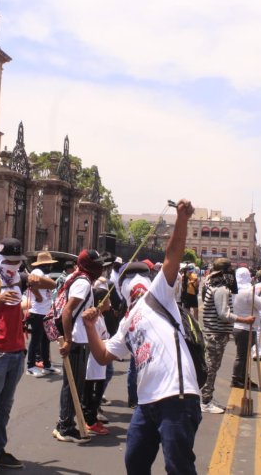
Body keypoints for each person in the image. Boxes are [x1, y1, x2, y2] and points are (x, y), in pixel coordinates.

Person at [82, 199, 201, 475]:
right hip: (146, 404)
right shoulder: (125, 324)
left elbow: (173, 255)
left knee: (178, 467)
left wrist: (181, 220)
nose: (135, 289)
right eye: (130, 285)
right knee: (134, 462)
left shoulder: (157, 296)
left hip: (177, 396)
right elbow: (102, 356)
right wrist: (90, 327)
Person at [0, 238, 55, 474]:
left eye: (17, 261)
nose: (13, 264)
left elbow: (49, 284)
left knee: (6, 406)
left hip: (17, 352)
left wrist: (39, 279)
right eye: (9, 260)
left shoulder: (19, 278)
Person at [53, 249, 104, 444]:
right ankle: (65, 426)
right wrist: (68, 340)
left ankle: (65, 423)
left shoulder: (82, 280)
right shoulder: (83, 283)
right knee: (72, 384)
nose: (99, 268)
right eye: (96, 264)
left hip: (79, 338)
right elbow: (67, 311)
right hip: (76, 339)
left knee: (74, 383)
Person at [200, 258, 248, 414]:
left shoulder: (211, 284)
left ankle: (206, 397)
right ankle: (205, 401)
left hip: (213, 331)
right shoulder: (220, 289)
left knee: (211, 366)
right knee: (212, 367)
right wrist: (242, 319)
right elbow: (223, 314)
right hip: (215, 333)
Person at [82, 285, 111, 436]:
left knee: (97, 391)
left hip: (100, 362)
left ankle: (92, 418)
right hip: (94, 362)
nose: (110, 302)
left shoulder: (101, 317)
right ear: (100, 301)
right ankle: (90, 421)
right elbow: (97, 339)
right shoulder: (95, 320)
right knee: (92, 392)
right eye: (108, 299)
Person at [26, 251, 58, 376]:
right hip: (37, 311)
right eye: (48, 264)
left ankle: (47, 365)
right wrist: (38, 296)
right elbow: (31, 285)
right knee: (36, 340)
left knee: (45, 340)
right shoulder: (37, 273)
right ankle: (30, 365)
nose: (50, 266)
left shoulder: (43, 273)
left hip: (45, 311)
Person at [231, 268, 261, 389]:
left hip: (238, 326)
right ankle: (236, 379)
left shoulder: (234, 291)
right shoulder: (248, 292)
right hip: (246, 327)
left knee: (244, 355)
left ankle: (244, 377)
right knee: (242, 355)